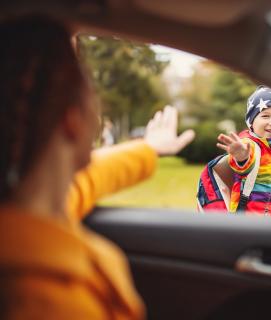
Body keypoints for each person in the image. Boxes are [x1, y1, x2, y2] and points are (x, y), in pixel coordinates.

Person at [0, 15, 194, 319]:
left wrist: (149, 148)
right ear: (72, 120)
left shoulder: (28, 209)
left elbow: (90, 178)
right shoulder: (57, 304)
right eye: (87, 83)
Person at [216, 86, 271, 216]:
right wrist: (241, 157)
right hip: (253, 215)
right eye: (265, 116)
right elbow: (243, 165)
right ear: (251, 121)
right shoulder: (248, 143)